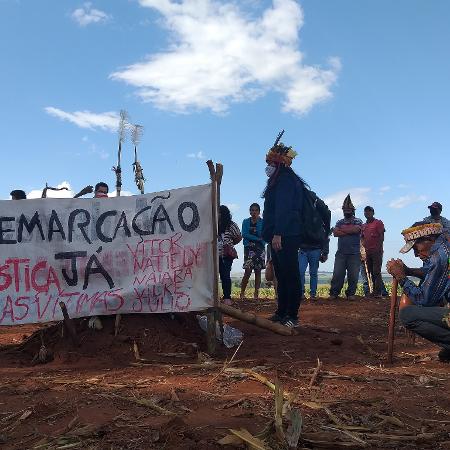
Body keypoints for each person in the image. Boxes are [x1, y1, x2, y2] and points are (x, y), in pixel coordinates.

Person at [386, 222, 450, 362]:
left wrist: (401, 277)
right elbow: (432, 273)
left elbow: (424, 299)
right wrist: (408, 271)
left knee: (408, 315)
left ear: (429, 239)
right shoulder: (444, 246)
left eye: (416, 248)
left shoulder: (439, 257)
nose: (415, 254)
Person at [262, 138, 304, 328]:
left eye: (270, 163)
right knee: (281, 274)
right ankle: (282, 311)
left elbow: (284, 208)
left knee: (290, 274)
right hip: (278, 235)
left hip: (286, 235)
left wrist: (278, 233)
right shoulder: (278, 180)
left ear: (278, 163)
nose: (268, 166)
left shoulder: (286, 180)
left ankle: (292, 315)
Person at [329, 194, 363, 300]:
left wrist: (342, 230)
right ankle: (334, 293)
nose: (346, 211)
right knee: (338, 274)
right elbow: (335, 233)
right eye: (345, 209)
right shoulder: (339, 221)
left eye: (348, 209)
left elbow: (356, 230)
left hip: (354, 253)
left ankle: (351, 293)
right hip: (341, 253)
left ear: (352, 210)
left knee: (353, 275)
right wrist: (349, 231)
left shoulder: (358, 221)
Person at [240, 203, 265, 300]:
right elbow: (244, 234)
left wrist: (259, 238)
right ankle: (242, 292)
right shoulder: (245, 221)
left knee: (258, 271)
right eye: (252, 210)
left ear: (259, 212)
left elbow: (263, 234)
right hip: (249, 249)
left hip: (260, 249)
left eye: (256, 210)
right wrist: (258, 238)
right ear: (249, 211)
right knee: (248, 270)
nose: (254, 212)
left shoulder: (262, 222)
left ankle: (256, 294)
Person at [218, 205, 242, 305]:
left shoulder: (231, 225)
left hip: (226, 255)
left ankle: (227, 297)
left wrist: (229, 245)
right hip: (213, 254)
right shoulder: (213, 223)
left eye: (219, 212)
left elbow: (238, 237)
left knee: (225, 275)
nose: (217, 214)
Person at [361, 206, 385, 297]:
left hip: (376, 251)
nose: (367, 213)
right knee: (370, 272)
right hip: (367, 252)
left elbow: (381, 236)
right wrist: (363, 248)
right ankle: (374, 292)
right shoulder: (364, 226)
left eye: (369, 211)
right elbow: (362, 237)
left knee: (376, 271)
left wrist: (378, 248)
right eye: (365, 212)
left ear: (373, 213)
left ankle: (378, 292)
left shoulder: (378, 223)